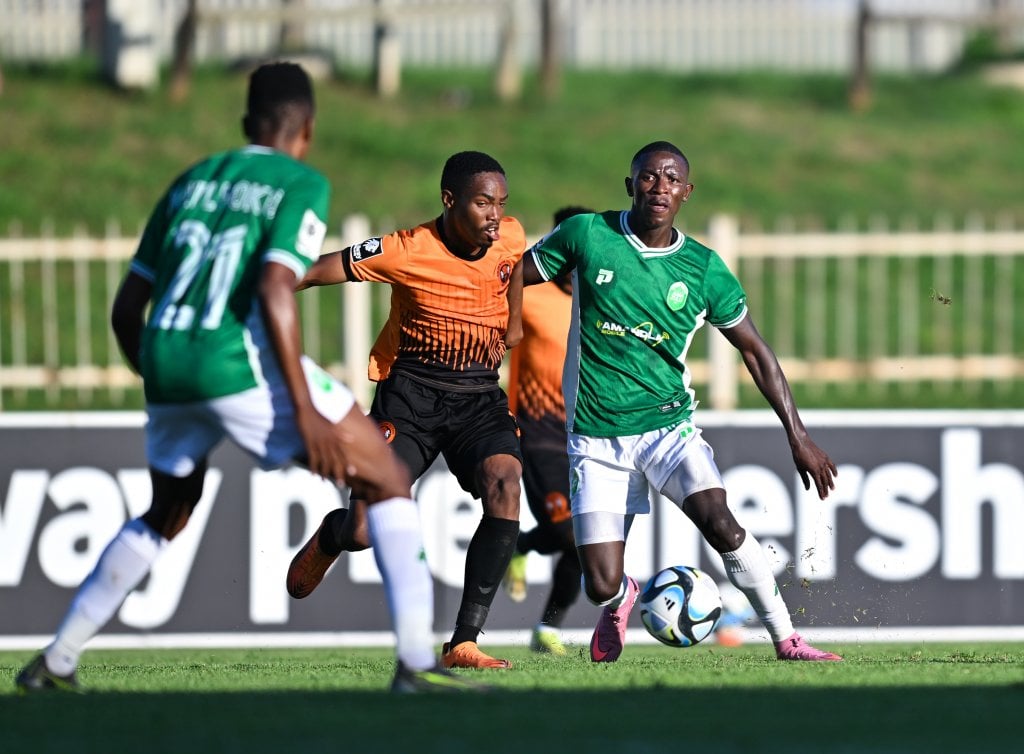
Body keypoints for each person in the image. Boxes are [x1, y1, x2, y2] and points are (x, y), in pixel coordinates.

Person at [15, 62, 477, 695]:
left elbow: (127, 307)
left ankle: (57, 661)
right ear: (307, 129)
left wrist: (160, 379)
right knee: (386, 476)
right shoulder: (298, 182)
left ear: (244, 123)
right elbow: (274, 288)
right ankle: (415, 663)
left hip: (165, 361)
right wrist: (304, 410)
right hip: (236, 359)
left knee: (167, 512)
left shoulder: (190, 182)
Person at [518, 140, 843, 663]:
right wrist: (500, 330)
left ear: (687, 192)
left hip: (668, 429)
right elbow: (512, 274)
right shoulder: (588, 235)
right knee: (599, 582)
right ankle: (621, 599)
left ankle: (787, 638)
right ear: (630, 184)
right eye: (649, 176)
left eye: (671, 179)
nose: (659, 187)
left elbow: (755, 352)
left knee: (721, 520)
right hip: (595, 437)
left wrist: (798, 435)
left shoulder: (703, 268)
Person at [285, 150, 526, 670]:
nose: (495, 215)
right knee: (363, 532)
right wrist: (263, 289)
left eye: (501, 204)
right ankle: (333, 533)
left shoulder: (510, 235)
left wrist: (514, 320)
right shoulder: (406, 249)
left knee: (506, 483)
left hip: (479, 396)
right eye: (483, 202)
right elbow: (321, 270)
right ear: (450, 200)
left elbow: (517, 267)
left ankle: (464, 640)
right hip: (410, 396)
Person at [502, 205, 592, 656]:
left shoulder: (599, 297)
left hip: (586, 435)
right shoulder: (529, 295)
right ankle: (520, 544)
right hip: (535, 432)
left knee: (586, 539)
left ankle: (547, 630)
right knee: (566, 533)